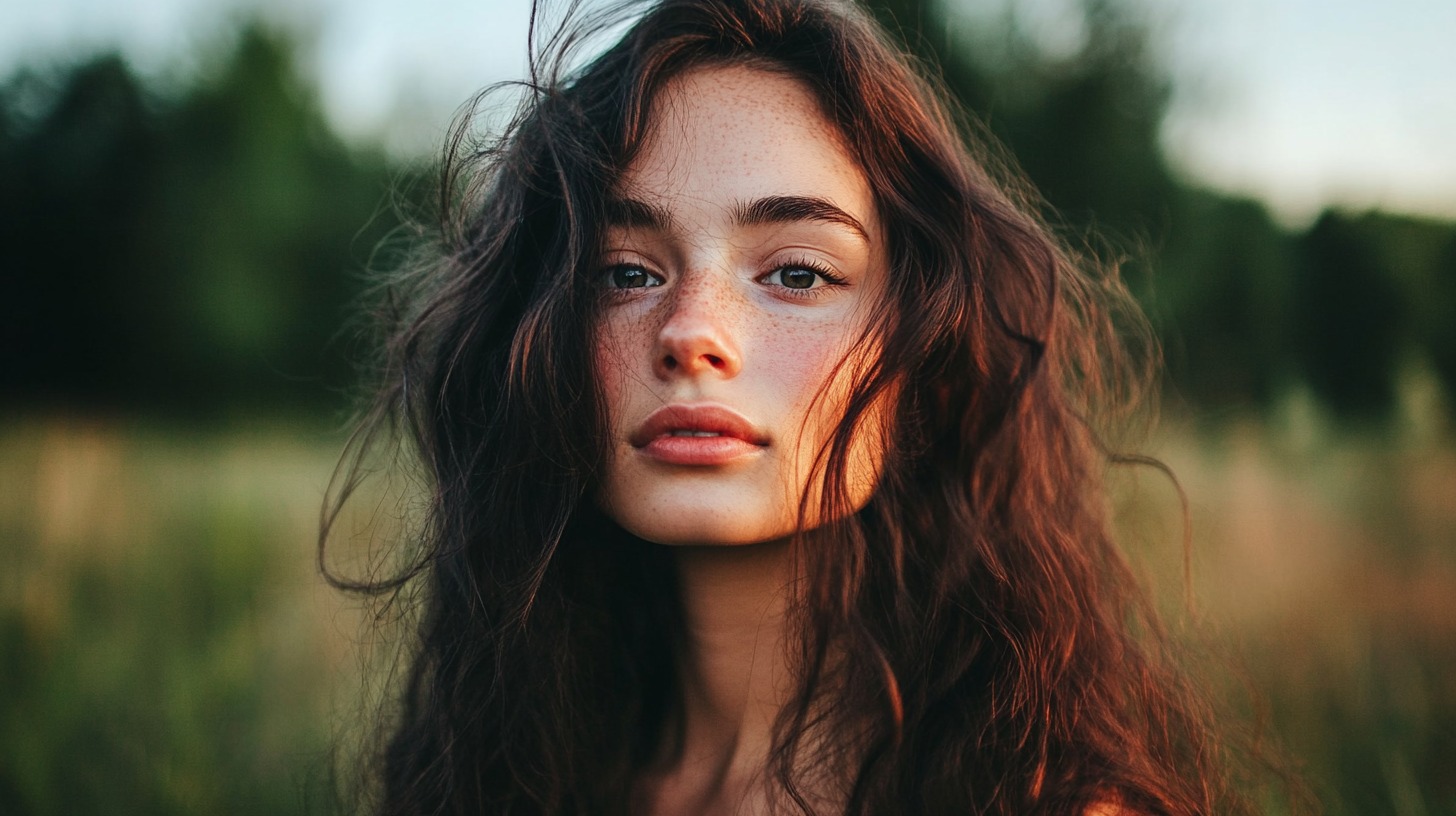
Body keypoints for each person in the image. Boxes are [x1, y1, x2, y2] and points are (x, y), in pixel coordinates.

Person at [322, 0, 1282, 813]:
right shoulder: (502, 774)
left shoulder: (1035, 799)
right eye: (623, 272)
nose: (692, 332)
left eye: (795, 271)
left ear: (924, 348)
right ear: (539, 342)